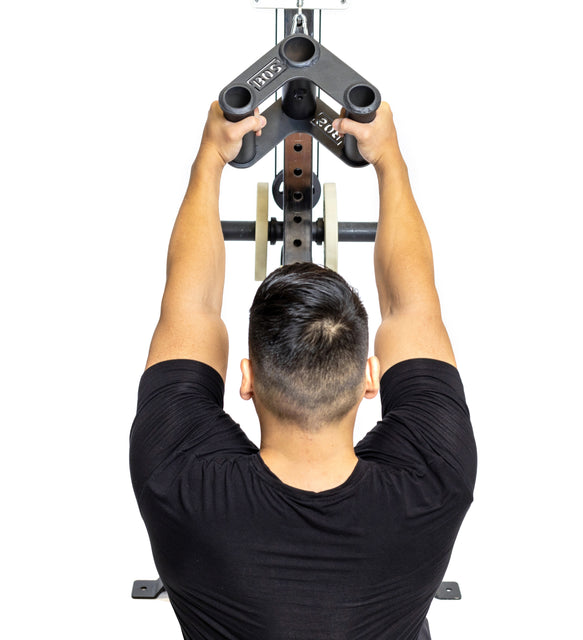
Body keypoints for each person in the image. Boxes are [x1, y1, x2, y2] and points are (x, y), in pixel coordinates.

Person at [130, 100, 477, 640]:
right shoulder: (436, 480)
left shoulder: (177, 481)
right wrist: (387, 157)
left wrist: (211, 159)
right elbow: (413, 308)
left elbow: (189, 308)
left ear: (244, 381)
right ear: (370, 378)